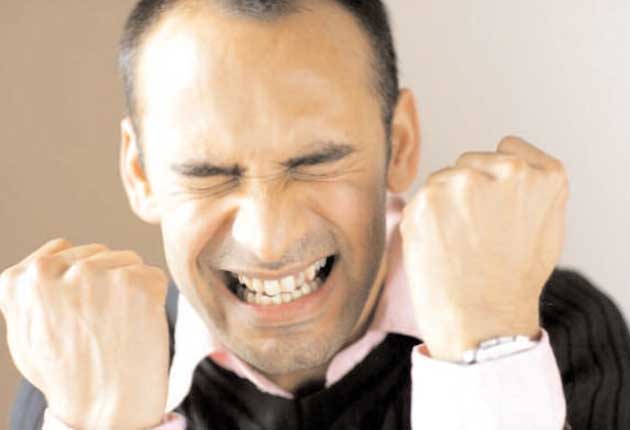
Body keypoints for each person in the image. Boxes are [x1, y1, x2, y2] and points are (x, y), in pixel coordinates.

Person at [4, 0, 629, 429]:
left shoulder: (552, 326)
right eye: (209, 174)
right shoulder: (79, 357)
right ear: (139, 173)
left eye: (315, 163)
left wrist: (490, 356)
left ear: (399, 145)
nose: (268, 239)